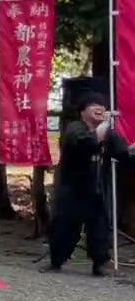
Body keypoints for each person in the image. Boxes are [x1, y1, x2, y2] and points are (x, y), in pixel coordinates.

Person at [43, 94, 129, 276]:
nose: (100, 108)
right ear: (83, 111)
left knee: (100, 226)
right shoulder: (74, 129)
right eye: (94, 105)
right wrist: (106, 124)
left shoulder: (108, 133)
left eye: (102, 105)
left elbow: (122, 153)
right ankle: (56, 261)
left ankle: (100, 263)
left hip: (97, 189)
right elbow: (89, 143)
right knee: (65, 226)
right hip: (73, 189)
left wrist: (130, 150)